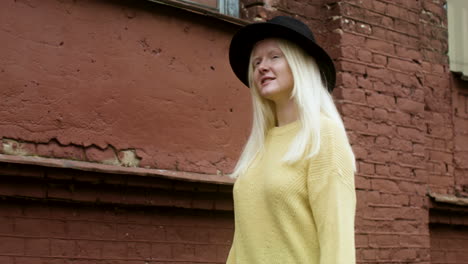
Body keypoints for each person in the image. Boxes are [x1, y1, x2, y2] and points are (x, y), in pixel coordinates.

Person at [226, 16, 357, 264]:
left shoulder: (323, 136)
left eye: (274, 57)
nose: (262, 67)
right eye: (257, 62)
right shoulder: (259, 147)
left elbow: (337, 240)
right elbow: (243, 242)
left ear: (300, 65)